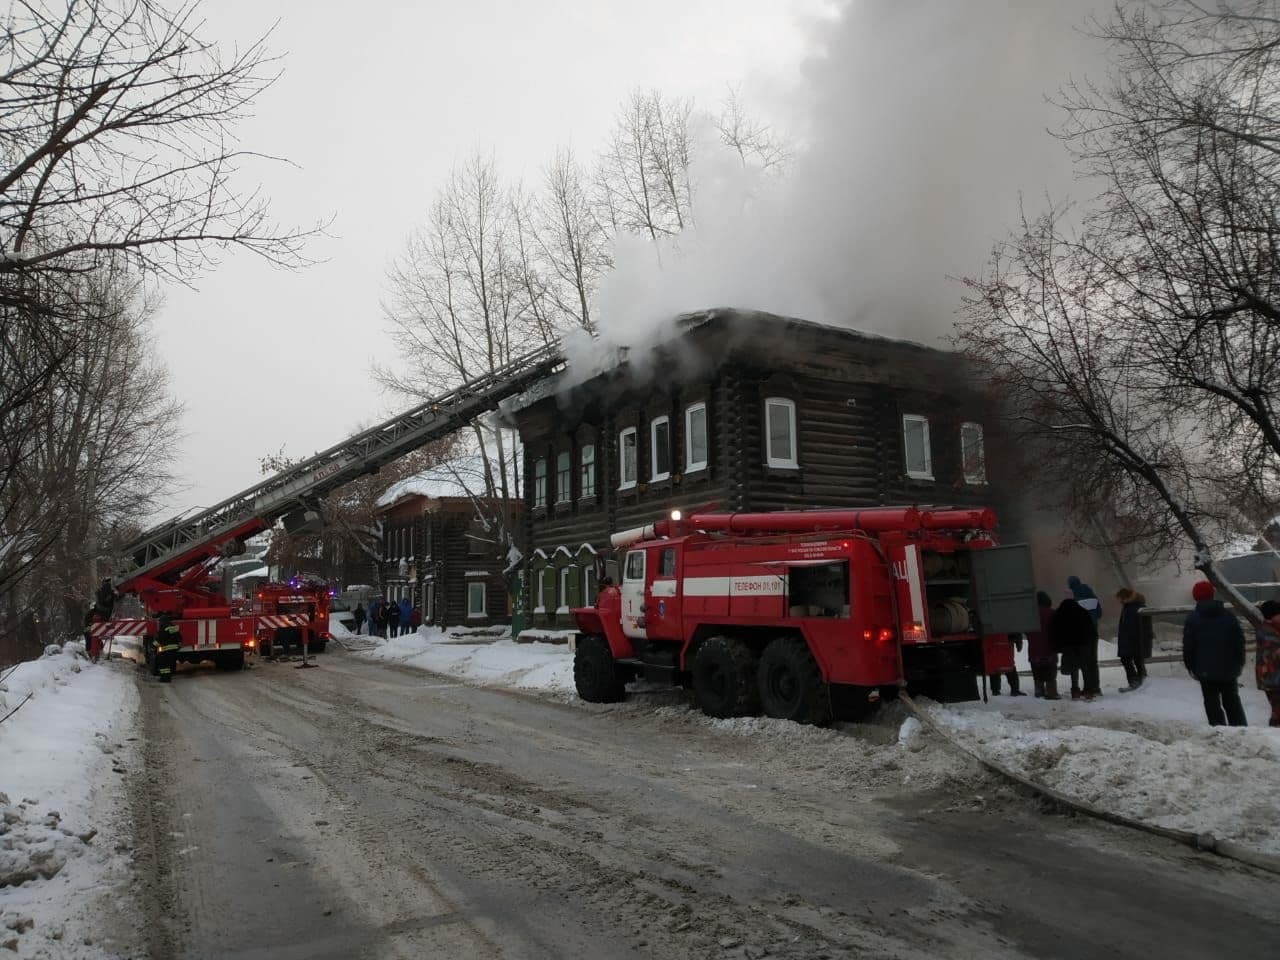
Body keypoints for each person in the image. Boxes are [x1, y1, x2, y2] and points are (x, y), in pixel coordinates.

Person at [1182, 580, 1247, 727]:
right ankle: (1240, 729)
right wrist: (1239, 662)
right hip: (1229, 668)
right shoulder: (1228, 616)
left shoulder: (1193, 619)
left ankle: (1218, 729)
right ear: (1212, 594)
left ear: (1195, 597)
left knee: (1211, 703)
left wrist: (1190, 665)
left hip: (1205, 669)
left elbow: (1189, 646)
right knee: (1232, 701)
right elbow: (1239, 641)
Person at [1050, 591, 1099, 700]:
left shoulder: (1059, 614)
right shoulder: (1082, 612)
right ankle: (1088, 691)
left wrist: (1058, 647)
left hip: (1068, 646)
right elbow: (1090, 629)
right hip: (1083, 644)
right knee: (1085, 667)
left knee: (1073, 668)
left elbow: (1055, 631)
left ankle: (1075, 691)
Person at [1115, 587, 1153, 692]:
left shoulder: (1133, 608)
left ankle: (1135, 680)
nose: (1119, 601)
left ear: (1125, 597)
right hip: (1132, 640)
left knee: (1129, 659)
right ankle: (1141, 679)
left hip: (1132, 640)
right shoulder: (1131, 607)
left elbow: (1133, 627)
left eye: (1120, 598)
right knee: (1136, 660)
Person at [1027, 591, 1059, 699]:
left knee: (1037, 671)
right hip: (1049, 648)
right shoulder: (1052, 613)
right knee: (1050, 671)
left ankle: (1039, 691)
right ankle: (1051, 692)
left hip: (1034, 649)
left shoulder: (1030, 614)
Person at [1255, 599, 1280, 728]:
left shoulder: (1271, 629)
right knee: (1277, 709)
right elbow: (1275, 654)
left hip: (1271, 677)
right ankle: (1274, 735)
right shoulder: (1267, 632)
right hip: (1272, 678)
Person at [153, 613, 182, 684]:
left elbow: (159, 639)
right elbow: (180, 637)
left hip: (166, 649)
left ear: (162, 622)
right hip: (174, 649)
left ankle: (165, 679)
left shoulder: (163, 629)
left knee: (163, 664)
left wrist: (153, 646)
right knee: (171, 663)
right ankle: (170, 674)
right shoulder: (174, 627)